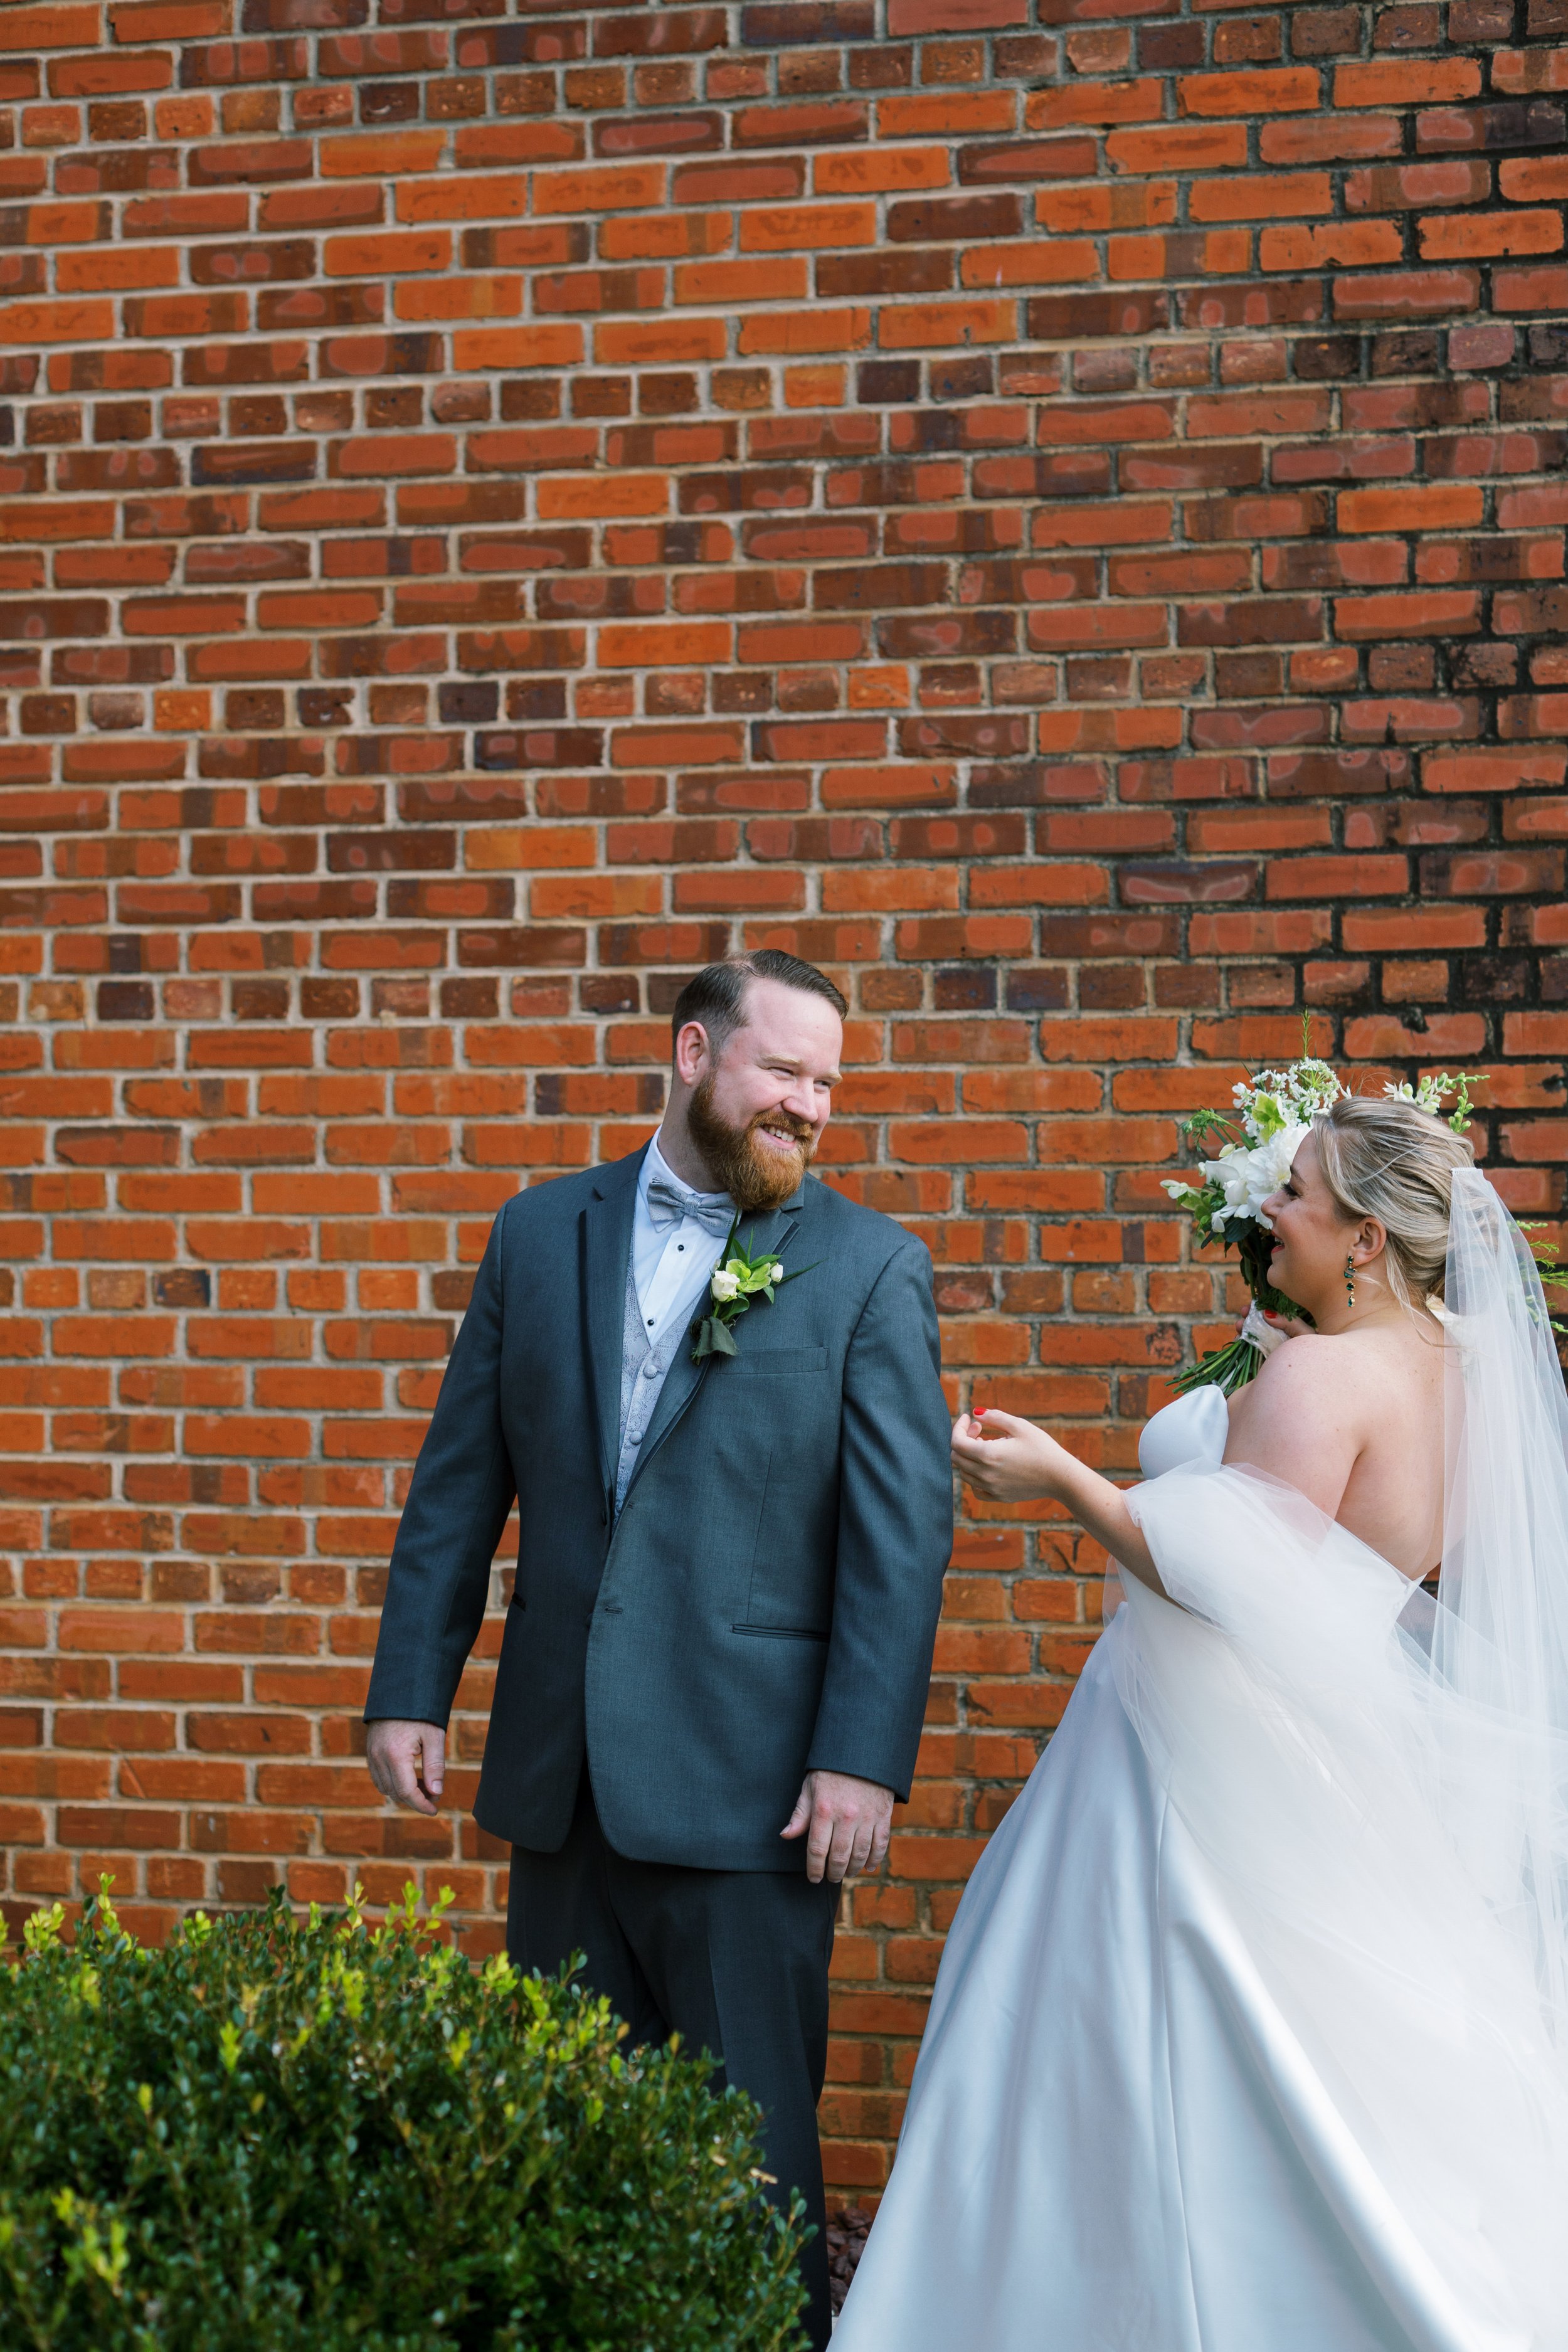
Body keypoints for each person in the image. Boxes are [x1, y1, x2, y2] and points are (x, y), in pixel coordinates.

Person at [835, 1093, 1568, 2352]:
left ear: (1363, 1241)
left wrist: (1059, 1476)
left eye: (1296, 1194)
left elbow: (1223, 1577)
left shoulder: (1320, 1373)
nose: (1267, 1211)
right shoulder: (1462, 1375)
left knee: (1126, 2051)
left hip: (1198, 1756)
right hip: (1351, 1773)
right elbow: (1346, 1576)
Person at [362, 948, 952, 2349]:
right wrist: (410, 1687)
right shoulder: (534, 1231)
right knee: (561, 2141)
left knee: (752, 2170)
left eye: (827, 1082)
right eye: (783, 1070)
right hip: (558, 1782)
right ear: (692, 1055)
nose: (809, 1105)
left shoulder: (868, 1268)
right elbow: (460, 1481)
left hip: (753, 1800)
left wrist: (858, 1761)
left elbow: (897, 1539)